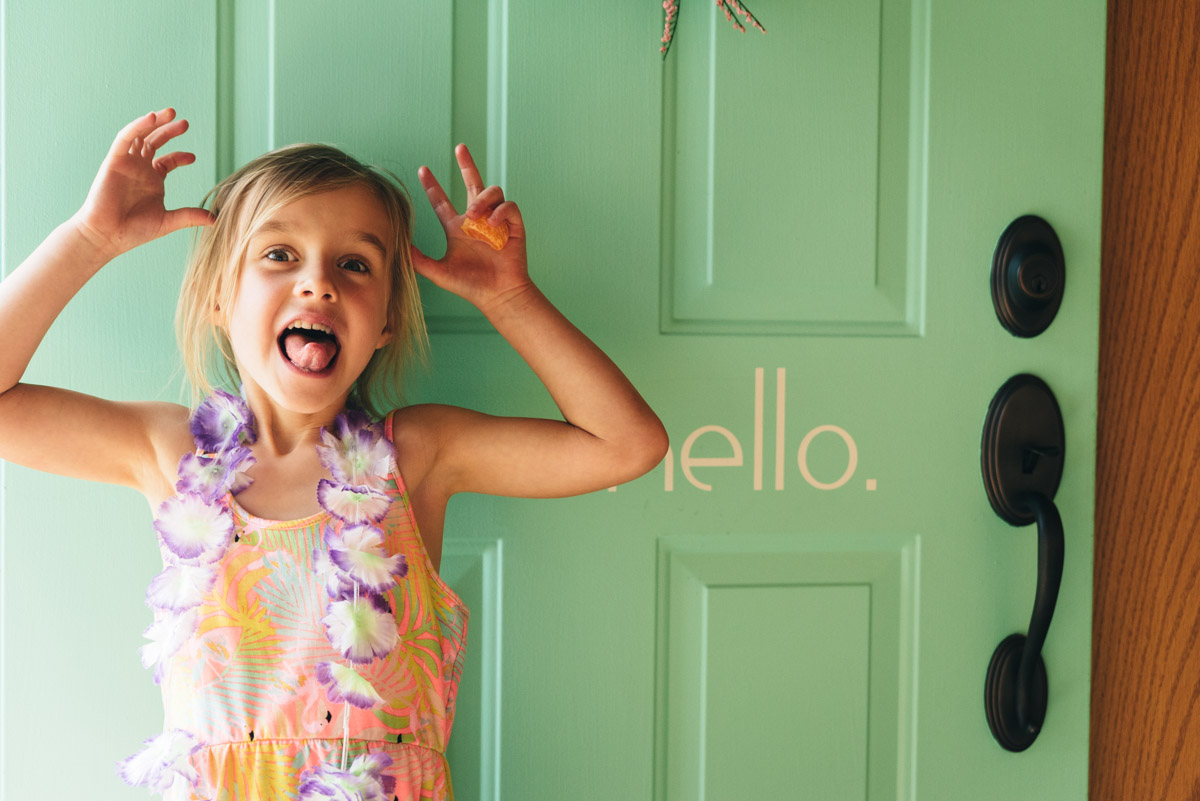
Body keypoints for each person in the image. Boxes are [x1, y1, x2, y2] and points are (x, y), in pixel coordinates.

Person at [0, 108, 668, 799]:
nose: (318, 283)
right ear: (219, 300)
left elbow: (628, 443)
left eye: (355, 264)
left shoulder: (415, 457)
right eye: (279, 254)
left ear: (383, 324)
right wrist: (89, 238)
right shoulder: (170, 453)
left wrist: (508, 297)